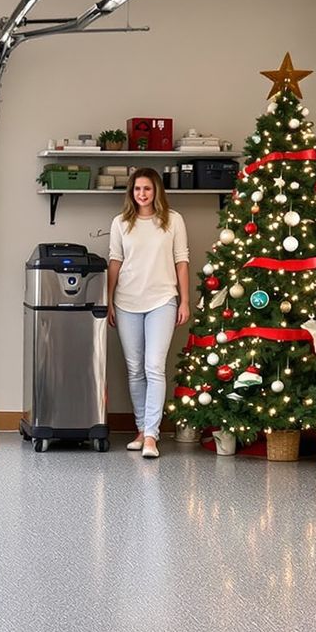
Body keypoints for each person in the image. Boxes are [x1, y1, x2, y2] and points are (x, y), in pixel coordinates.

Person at [105, 167, 190, 460]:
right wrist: (109, 301)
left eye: (147, 189)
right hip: (126, 302)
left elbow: (181, 261)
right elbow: (115, 262)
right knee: (135, 369)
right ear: (131, 192)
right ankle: (141, 430)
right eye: (137, 189)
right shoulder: (120, 223)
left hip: (162, 300)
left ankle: (152, 435)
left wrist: (184, 301)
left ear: (156, 191)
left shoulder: (173, 220)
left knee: (154, 366)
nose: (142, 194)